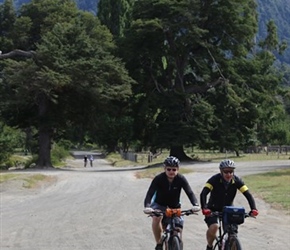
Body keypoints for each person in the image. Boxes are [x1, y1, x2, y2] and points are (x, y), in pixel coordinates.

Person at [143, 156, 200, 250]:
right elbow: (150, 193)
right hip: (159, 204)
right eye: (168, 169)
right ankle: (159, 243)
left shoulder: (181, 179)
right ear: (164, 169)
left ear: (178, 169)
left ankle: (177, 244)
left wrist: (196, 204)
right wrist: (147, 206)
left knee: (178, 228)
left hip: (175, 206)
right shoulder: (159, 178)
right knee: (157, 218)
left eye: (174, 169)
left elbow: (190, 192)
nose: (171, 172)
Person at [200, 159, 259, 250]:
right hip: (212, 209)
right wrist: (204, 208)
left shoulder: (236, 180)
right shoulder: (214, 180)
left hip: (228, 209)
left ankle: (231, 243)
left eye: (231, 172)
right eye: (226, 172)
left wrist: (254, 209)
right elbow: (203, 193)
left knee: (232, 233)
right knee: (214, 227)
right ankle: (210, 246)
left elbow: (248, 194)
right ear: (221, 171)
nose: (229, 174)